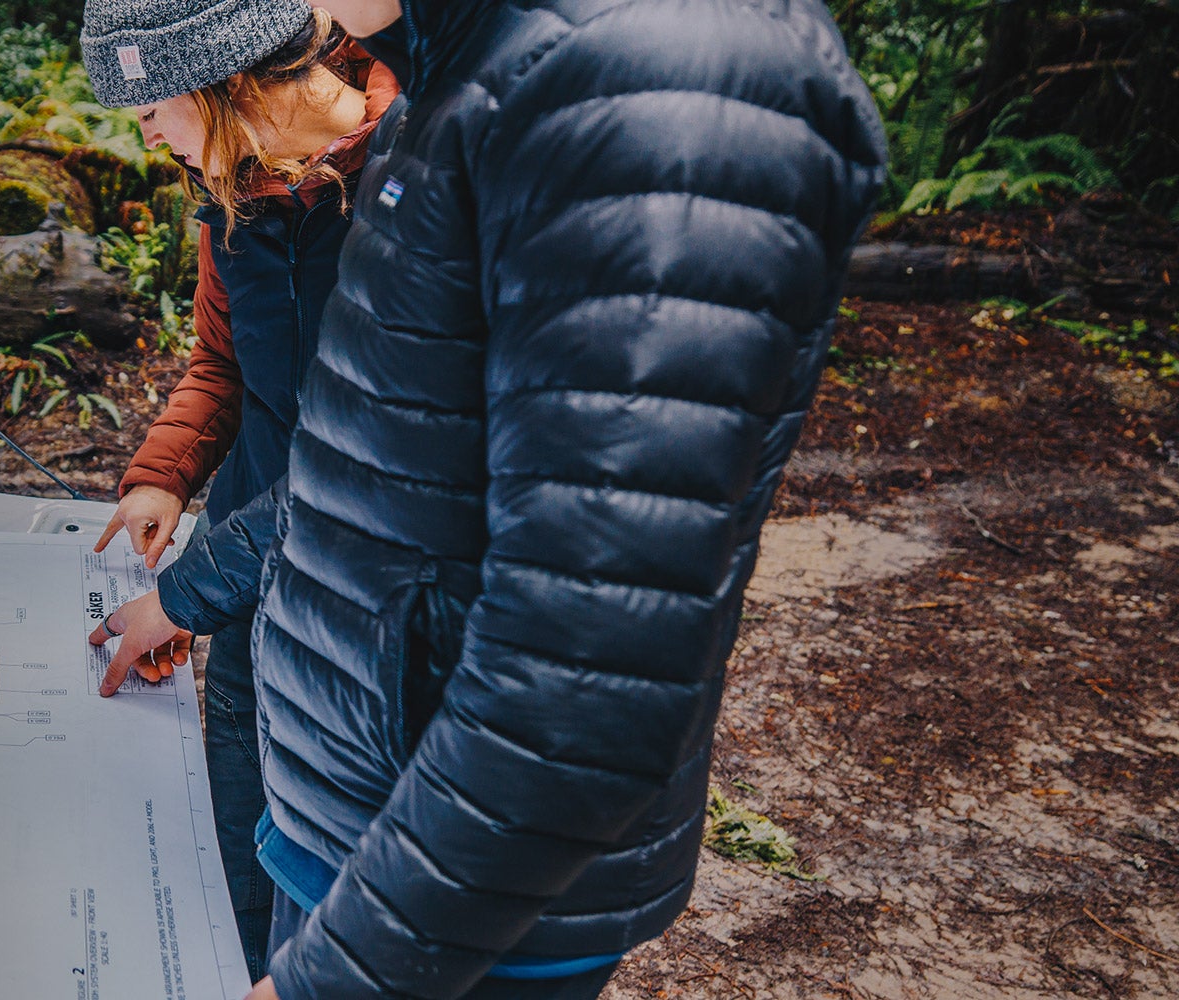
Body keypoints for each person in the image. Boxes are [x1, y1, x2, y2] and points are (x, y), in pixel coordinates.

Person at [88, 0, 891, 997]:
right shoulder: (465, 72)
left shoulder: (644, 83)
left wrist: (335, 978)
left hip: (438, 892)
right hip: (357, 810)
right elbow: (372, 469)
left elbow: (587, 673)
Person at [75, 0, 401, 977]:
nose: (143, 131)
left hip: (364, 594)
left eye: (150, 104)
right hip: (249, 564)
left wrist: (181, 594)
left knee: (324, 847)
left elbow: (370, 465)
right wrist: (164, 479)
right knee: (234, 810)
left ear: (218, 83)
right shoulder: (228, 190)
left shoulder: (405, 185)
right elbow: (225, 363)